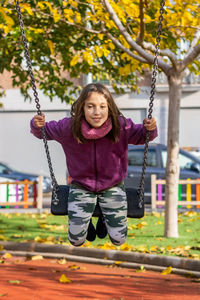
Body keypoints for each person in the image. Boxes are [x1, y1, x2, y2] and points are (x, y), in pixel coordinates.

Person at [30, 83, 157, 247]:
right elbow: (43, 131)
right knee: (76, 240)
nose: (97, 112)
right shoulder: (68, 127)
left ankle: (104, 218)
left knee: (119, 239)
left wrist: (150, 129)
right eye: (90, 106)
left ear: (109, 107)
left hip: (112, 185)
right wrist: (36, 125)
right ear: (82, 107)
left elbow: (143, 135)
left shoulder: (121, 126)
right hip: (81, 186)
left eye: (102, 106)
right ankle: (87, 218)